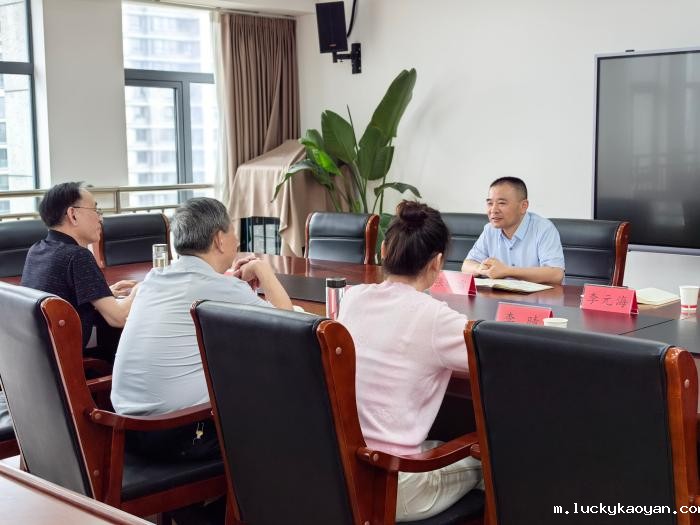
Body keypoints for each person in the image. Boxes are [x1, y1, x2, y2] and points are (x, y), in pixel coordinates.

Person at [111, 197, 293, 460]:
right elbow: (289, 325)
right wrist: (262, 269)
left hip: (125, 431)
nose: (237, 241)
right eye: (233, 231)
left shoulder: (154, 279)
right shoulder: (220, 287)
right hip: (178, 433)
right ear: (219, 239)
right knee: (282, 389)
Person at [337, 200, 482, 522]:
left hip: (343, 473)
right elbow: (497, 362)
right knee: (490, 461)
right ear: (437, 262)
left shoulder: (352, 298)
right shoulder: (436, 318)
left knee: (438, 443)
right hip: (392, 487)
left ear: (384, 250)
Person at [21, 182, 138, 349]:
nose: (100, 218)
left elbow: (63, 295)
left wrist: (100, 293)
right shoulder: (77, 256)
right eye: (95, 210)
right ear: (73, 214)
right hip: (67, 358)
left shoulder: (37, 249)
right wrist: (141, 289)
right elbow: (118, 318)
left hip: (39, 354)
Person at [461, 177, 565, 285]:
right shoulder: (490, 230)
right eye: (490, 203)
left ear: (523, 206)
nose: (493, 210)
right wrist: (480, 268)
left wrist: (507, 271)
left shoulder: (544, 228)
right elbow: (466, 266)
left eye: (502, 203)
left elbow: (556, 274)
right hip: (499, 294)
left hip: (538, 295)